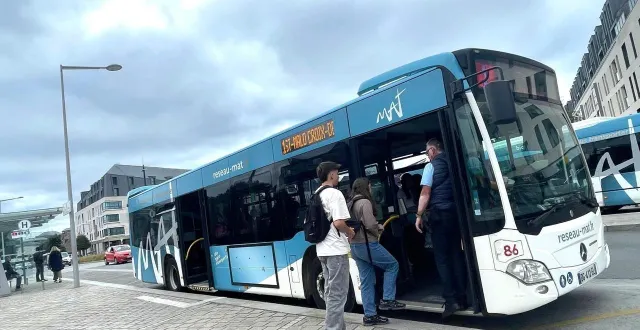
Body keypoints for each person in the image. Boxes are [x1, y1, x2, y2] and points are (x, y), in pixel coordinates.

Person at [415, 138, 468, 319]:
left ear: (432, 150)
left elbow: (425, 193)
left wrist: (419, 215)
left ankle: (450, 300)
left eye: (427, 152)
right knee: (456, 255)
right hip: (456, 214)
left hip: (440, 215)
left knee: (442, 259)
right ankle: (462, 297)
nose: (427, 156)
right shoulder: (453, 162)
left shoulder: (431, 167)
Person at [348, 177, 405, 326]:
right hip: (367, 245)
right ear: (365, 187)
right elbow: (370, 224)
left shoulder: (350, 203)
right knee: (392, 265)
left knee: (366, 281)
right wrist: (379, 227)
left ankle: (370, 316)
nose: (371, 188)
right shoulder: (365, 202)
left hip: (355, 247)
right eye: (370, 186)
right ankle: (387, 299)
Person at [315, 161, 355, 330]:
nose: (338, 176)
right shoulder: (334, 194)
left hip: (322, 249)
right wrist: (350, 232)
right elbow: (339, 222)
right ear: (330, 174)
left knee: (331, 293)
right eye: (337, 173)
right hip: (335, 251)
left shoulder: (316, 194)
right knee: (338, 295)